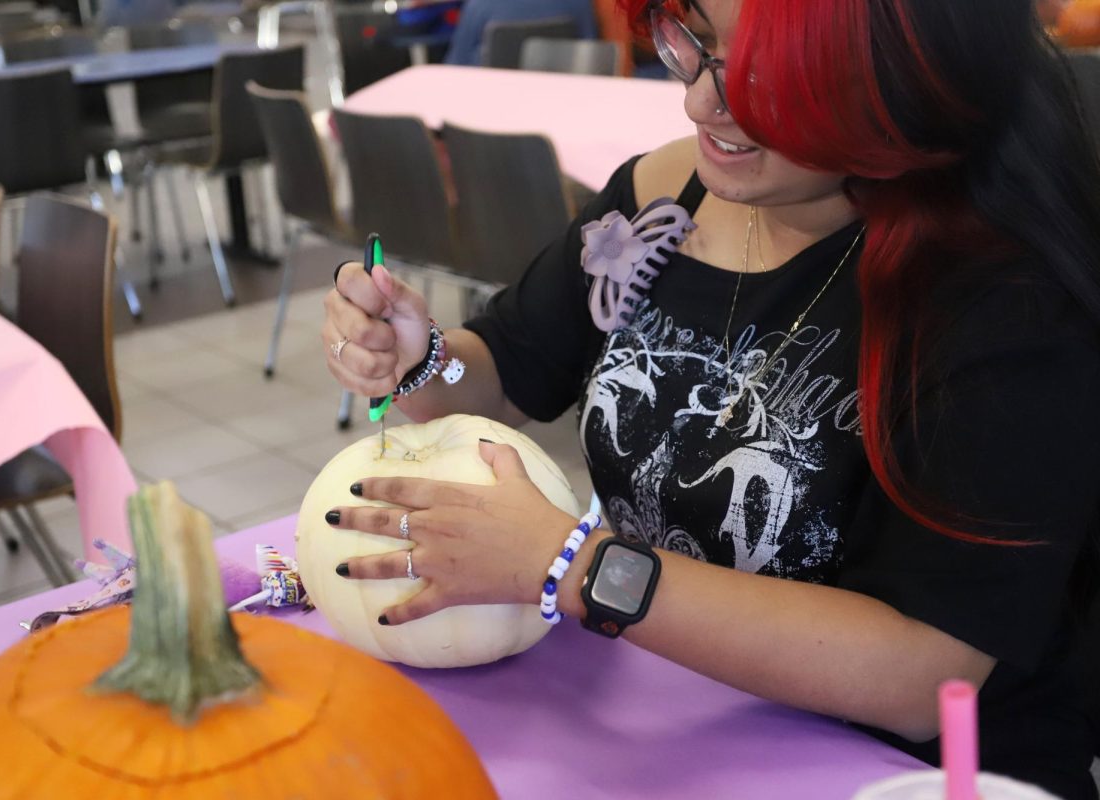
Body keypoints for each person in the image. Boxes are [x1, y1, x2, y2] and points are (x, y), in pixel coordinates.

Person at [322, 1, 1100, 797]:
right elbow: (507, 371)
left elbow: (922, 676)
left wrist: (579, 567)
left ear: (899, 84)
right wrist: (424, 362)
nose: (699, 100)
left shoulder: (1003, 302)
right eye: (694, 42)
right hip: (683, 716)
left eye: (768, 74)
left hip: (905, 774)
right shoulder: (664, 199)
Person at [442, 0, 599, 66]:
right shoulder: (580, 3)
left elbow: (454, 67)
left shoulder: (479, 6)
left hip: (487, 115)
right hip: (560, 107)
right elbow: (593, 56)